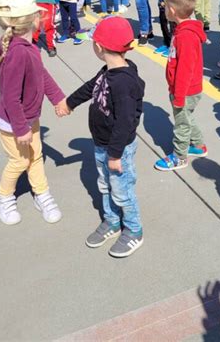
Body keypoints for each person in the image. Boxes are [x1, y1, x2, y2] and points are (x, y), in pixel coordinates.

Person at [57, 17, 145, 258]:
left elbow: (126, 122)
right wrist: (69, 103)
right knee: (105, 185)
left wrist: (115, 154)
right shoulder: (108, 71)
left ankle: (134, 230)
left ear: (99, 47)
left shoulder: (124, 83)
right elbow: (90, 87)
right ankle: (112, 221)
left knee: (122, 190)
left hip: (118, 150)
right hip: (101, 144)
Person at [0, 0, 65, 225]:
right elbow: (10, 97)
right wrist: (21, 128)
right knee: (20, 161)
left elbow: (40, 75)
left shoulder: (28, 47)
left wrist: (57, 98)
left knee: (35, 156)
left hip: (28, 118)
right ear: (32, 20)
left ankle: (41, 193)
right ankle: (4, 197)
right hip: (13, 122)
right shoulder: (17, 53)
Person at [155, 0, 207, 171]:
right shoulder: (183, 30)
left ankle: (179, 157)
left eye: (165, 5)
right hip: (186, 89)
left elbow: (185, 69)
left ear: (172, 10)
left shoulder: (185, 36)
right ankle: (199, 145)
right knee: (187, 117)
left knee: (181, 125)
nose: (163, 8)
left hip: (184, 90)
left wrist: (178, 95)